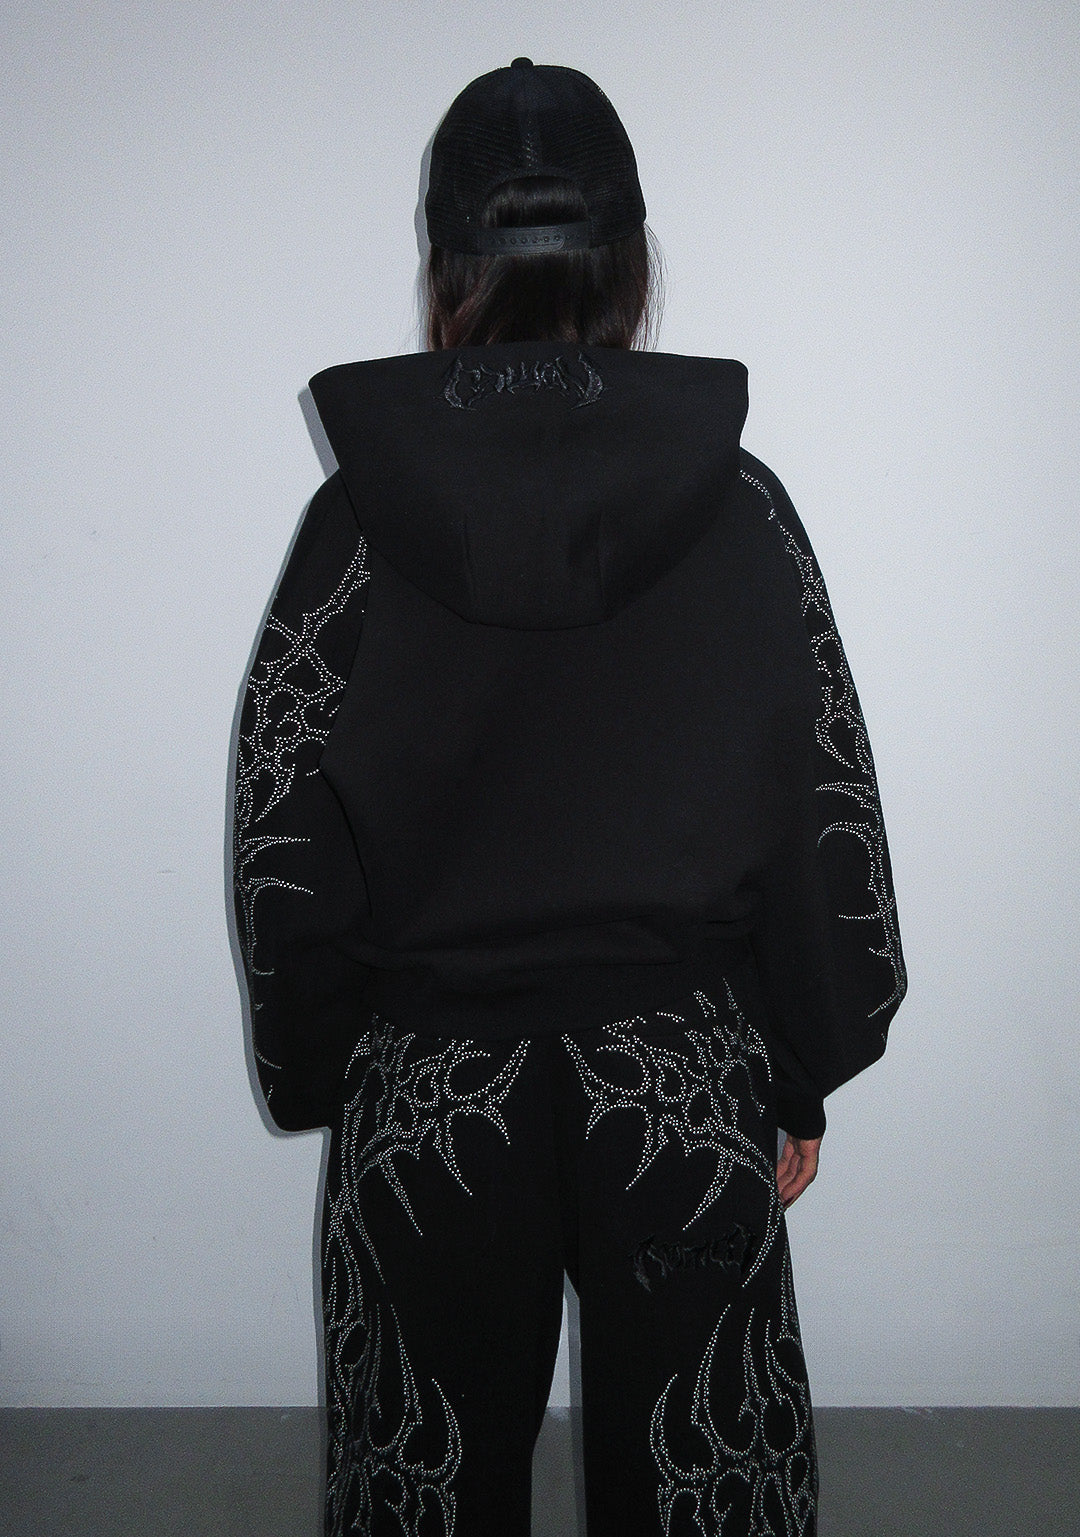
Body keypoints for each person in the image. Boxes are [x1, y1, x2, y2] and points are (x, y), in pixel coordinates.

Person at [231, 58, 906, 1537]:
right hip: (681, 1082)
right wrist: (797, 1064)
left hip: (430, 1088)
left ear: (446, 266)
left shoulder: (354, 526)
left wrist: (327, 1065)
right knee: (707, 1487)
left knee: (423, 1489)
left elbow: (285, 821)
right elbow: (818, 798)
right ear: (633, 259)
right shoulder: (741, 508)